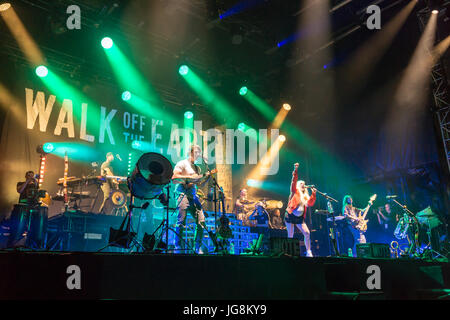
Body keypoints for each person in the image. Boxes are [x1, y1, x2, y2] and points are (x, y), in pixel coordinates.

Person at [172, 145, 211, 254]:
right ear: (190, 152)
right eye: (196, 152)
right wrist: (188, 179)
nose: (198, 155)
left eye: (199, 153)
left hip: (194, 196)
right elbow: (174, 177)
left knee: (202, 221)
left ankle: (196, 247)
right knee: (181, 222)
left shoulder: (197, 168)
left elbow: (199, 183)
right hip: (182, 194)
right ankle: (178, 248)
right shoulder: (182, 163)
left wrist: (207, 177)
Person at [285, 163, 317, 257]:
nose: (303, 184)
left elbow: (310, 203)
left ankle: (308, 251)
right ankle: (289, 252)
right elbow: (293, 181)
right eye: (301, 183)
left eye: (304, 183)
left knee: (307, 233)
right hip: (290, 215)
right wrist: (296, 170)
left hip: (299, 218)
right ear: (298, 185)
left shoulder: (305, 195)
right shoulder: (294, 191)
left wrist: (313, 194)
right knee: (290, 234)